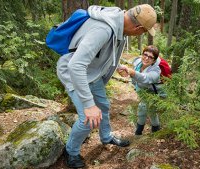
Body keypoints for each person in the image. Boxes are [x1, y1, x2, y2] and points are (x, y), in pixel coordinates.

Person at [56, 4, 157, 168]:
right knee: (87, 120)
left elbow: (102, 52)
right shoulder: (103, 29)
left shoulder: (119, 22)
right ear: (138, 27)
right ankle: (71, 152)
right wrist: (89, 105)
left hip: (93, 73)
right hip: (74, 73)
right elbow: (75, 66)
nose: (142, 34)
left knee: (103, 105)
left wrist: (115, 66)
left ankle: (106, 136)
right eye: (144, 31)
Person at [119, 45, 162, 136]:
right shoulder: (138, 63)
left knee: (146, 109)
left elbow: (145, 78)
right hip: (142, 92)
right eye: (145, 54)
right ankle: (153, 130)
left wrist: (132, 73)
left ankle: (141, 132)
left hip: (154, 94)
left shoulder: (156, 71)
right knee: (148, 110)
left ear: (154, 60)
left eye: (150, 57)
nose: (146, 58)